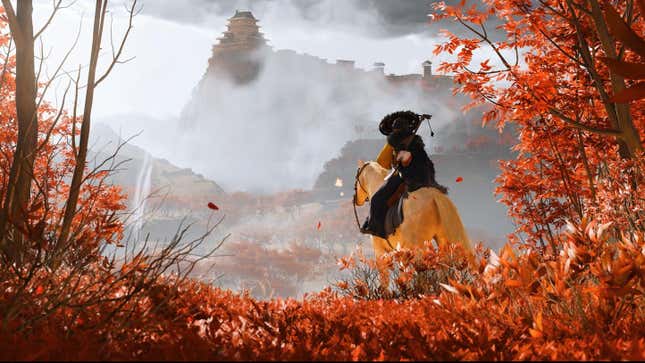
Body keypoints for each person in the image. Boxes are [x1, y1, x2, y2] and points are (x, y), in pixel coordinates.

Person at [360, 111, 447, 239]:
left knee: (376, 199)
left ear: (394, 130)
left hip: (405, 176)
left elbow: (382, 163)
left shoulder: (395, 142)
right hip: (425, 179)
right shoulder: (416, 142)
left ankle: (376, 228)